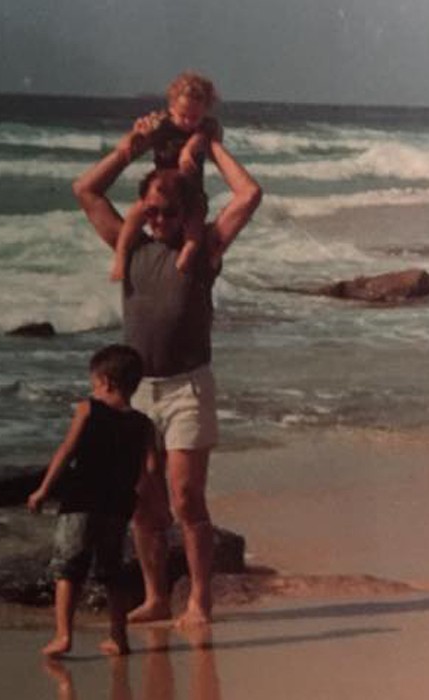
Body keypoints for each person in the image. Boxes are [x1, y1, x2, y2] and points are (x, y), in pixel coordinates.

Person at [73, 101, 262, 627]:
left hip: (186, 390)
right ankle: (157, 596)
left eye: (168, 213)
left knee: (185, 498)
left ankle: (200, 599)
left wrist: (210, 144)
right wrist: (126, 149)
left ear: (188, 214)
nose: (157, 221)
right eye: (150, 212)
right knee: (142, 505)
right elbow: (85, 192)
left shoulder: (204, 252)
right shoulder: (130, 245)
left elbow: (249, 196)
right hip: (133, 397)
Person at [27, 344, 159, 657]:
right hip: (118, 506)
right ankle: (119, 637)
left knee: (68, 568)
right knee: (112, 573)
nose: (92, 389)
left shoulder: (88, 409)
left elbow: (66, 451)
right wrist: (146, 498)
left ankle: (63, 636)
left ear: (106, 383)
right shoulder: (144, 424)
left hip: (80, 501)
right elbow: (152, 468)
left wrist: (43, 489)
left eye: (94, 383)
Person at [109, 71, 221, 282]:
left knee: (195, 224)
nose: (188, 121)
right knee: (134, 215)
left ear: (205, 111)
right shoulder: (162, 125)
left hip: (191, 192)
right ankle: (120, 259)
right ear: (171, 108)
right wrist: (130, 137)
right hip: (160, 191)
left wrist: (189, 149)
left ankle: (187, 253)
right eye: (183, 115)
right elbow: (142, 133)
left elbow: (207, 135)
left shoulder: (205, 128)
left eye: (195, 117)